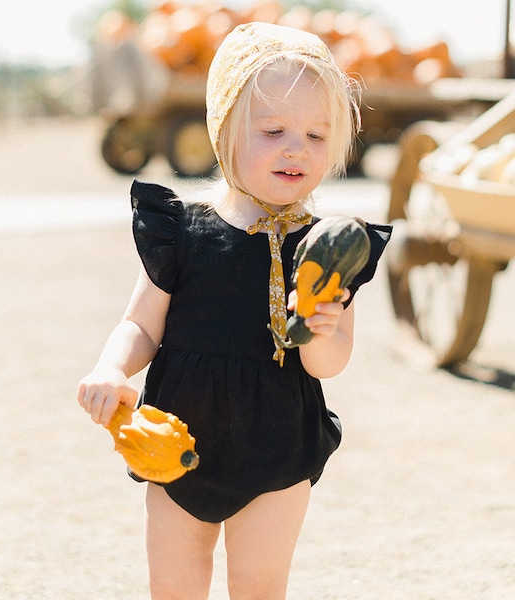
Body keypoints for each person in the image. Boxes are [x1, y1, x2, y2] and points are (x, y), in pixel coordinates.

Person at [78, 21, 392, 600]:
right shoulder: (185, 231)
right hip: (179, 435)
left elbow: (327, 364)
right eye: (273, 130)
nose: (296, 147)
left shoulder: (328, 248)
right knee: (174, 585)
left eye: (318, 136)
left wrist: (320, 328)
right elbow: (141, 324)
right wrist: (110, 369)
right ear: (224, 130)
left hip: (278, 438)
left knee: (260, 587)